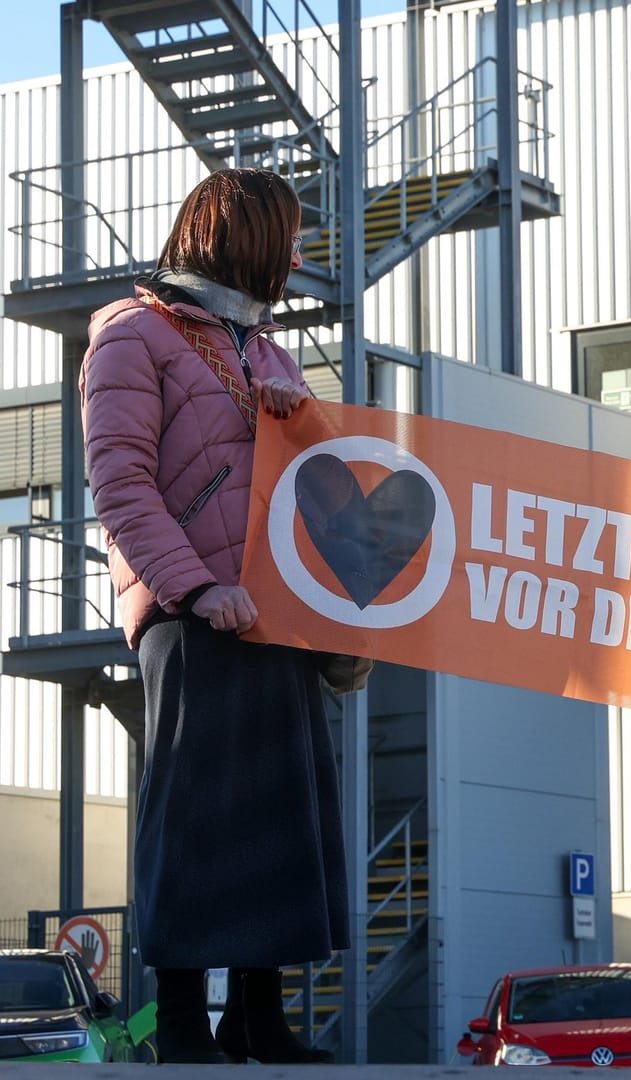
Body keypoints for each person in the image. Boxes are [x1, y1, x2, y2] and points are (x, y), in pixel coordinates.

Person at [81, 168, 345, 1065]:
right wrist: (196, 589)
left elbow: (325, 476)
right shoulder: (130, 336)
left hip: (276, 609)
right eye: (291, 238)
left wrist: (300, 418)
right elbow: (121, 484)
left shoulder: (263, 348)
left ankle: (259, 1021)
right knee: (195, 816)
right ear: (248, 241)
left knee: (280, 812)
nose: (301, 256)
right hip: (195, 613)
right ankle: (185, 1027)